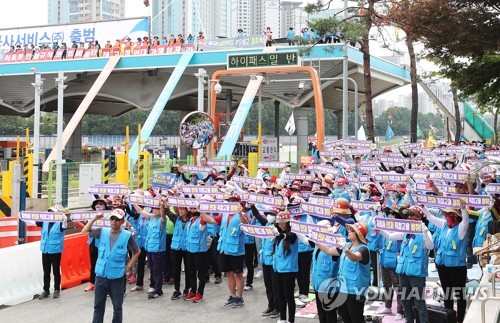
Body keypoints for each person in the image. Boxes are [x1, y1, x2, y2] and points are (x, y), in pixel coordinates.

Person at [82, 209, 140, 323]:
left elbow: (137, 251)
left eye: (117, 220)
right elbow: (84, 231)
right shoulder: (102, 232)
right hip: (101, 275)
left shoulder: (127, 235)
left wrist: (128, 266)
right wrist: (94, 219)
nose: (114, 222)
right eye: (112, 219)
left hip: (117, 277)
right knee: (98, 305)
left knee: (117, 307)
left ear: (122, 221)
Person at [380, 206, 433, 323]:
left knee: (419, 302)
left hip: (417, 274)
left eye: (413, 214)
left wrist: (424, 231)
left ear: (420, 217)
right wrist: (379, 229)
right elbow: (389, 236)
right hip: (403, 271)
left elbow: (431, 246)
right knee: (405, 299)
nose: (410, 217)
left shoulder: (425, 232)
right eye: (408, 215)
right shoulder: (405, 232)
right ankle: (409, 320)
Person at [423, 201, 469, 323]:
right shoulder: (444, 225)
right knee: (447, 292)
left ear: (456, 216)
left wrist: (463, 209)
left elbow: (466, 221)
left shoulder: (461, 228)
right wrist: (423, 207)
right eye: (447, 213)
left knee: (460, 295)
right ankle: (448, 317)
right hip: (442, 264)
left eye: (451, 214)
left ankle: (460, 319)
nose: (448, 216)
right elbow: (431, 218)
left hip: (457, 267)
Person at [317, 222, 370, 323]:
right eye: (349, 229)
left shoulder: (363, 249)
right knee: (346, 318)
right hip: (343, 289)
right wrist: (316, 240)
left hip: (355, 291)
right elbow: (328, 250)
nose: (348, 231)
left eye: (352, 230)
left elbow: (355, 257)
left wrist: (345, 248)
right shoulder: (348, 246)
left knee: (356, 319)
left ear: (359, 234)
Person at [201, 194, 248, 308]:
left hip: (236, 250)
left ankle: (239, 297)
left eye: (234, 201)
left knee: (238, 274)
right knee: (229, 273)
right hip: (224, 249)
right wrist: (201, 211)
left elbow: (245, 223)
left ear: (238, 202)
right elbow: (211, 220)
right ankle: (232, 296)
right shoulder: (224, 214)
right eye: (230, 200)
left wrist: (239, 212)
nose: (231, 202)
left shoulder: (243, 214)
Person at [133, 200, 167, 299]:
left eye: (157, 209)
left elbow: (163, 216)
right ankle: (154, 287)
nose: (155, 210)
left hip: (158, 249)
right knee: (152, 269)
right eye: (154, 208)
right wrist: (133, 202)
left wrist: (161, 207)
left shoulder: (162, 220)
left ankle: (158, 289)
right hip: (150, 247)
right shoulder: (151, 218)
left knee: (157, 269)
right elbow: (140, 210)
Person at [271, 210, 298, 323]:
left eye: (284, 223)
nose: (282, 225)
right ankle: (282, 319)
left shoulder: (293, 234)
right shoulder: (277, 236)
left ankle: (291, 320)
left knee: (289, 296)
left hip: (289, 270)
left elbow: (288, 236)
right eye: (279, 223)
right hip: (277, 268)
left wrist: (281, 234)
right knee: (280, 295)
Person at [37, 206, 68, 300]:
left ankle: (57, 289)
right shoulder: (44, 222)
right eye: (49, 212)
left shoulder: (60, 223)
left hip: (55, 250)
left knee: (56, 271)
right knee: (46, 271)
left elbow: (65, 221)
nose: (50, 214)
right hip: (45, 250)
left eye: (52, 212)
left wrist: (61, 214)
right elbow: (34, 220)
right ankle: (46, 290)